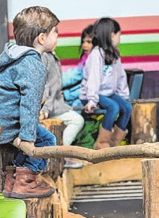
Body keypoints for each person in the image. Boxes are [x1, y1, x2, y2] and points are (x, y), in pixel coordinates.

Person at [0, 6, 59, 200]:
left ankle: (11, 179)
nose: (57, 36)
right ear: (41, 38)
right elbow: (29, 105)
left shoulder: (12, 55)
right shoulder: (32, 65)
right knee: (48, 141)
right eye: (55, 32)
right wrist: (27, 137)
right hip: (6, 126)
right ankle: (25, 181)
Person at [80, 17, 132, 149]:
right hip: (92, 94)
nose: (119, 38)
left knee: (126, 107)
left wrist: (123, 95)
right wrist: (92, 100)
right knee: (113, 107)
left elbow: (121, 75)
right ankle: (102, 142)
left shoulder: (114, 54)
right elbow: (93, 79)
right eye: (119, 34)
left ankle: (114, 141)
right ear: (111, 35)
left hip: (108, 93)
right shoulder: (96, 54)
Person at [41, 48, 85, 169]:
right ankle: (58, 154)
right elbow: (44, 87)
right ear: (42, 38)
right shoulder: (44, 56)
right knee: (76, 120)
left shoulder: (50, 56)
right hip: (49, 106)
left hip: (54, 103)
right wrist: (45, 109)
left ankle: (59, 154)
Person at [62, 24, 94, 107]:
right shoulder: (86, 60)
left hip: (88, 97)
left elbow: (86, 87)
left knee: (76, 104)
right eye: (83, 42)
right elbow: (73, 76)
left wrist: (66, 94)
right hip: (76, 95)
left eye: (89, 42)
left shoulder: (94, 64)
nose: (84, 45)